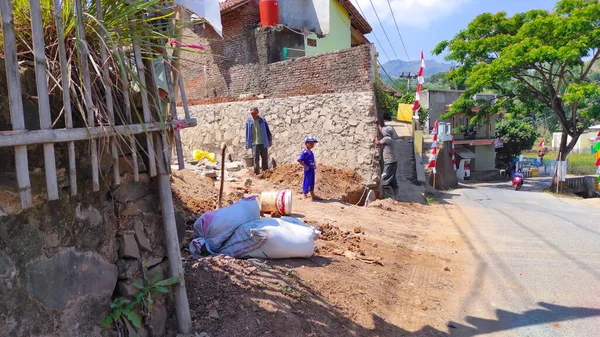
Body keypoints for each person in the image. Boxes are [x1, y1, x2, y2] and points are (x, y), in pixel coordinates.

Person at [245, 107, 272, 175]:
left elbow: (267, 131)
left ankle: (265, 171)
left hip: (263, 141)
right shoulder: (249, 122)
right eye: (251, 114)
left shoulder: (262, 120)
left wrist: (269, 140)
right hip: (254, 142)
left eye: (254, 113)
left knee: (264, 157)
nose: (253, 115)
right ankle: (256, 172)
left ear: (257, 112)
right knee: (255, 158)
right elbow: (247, 133)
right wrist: (247, 142)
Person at [297, 136, 321, 200]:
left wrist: (314, 166)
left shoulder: (311, 152)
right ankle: (305, 195)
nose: (312, 145)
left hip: (312, 169)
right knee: (307, 181)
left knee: (312, 182)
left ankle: (313, 195)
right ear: (306, 143)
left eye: (313, 143)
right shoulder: (305, 152)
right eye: (310, 143)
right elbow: (299, 160)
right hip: (308, 170)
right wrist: (305, 166)